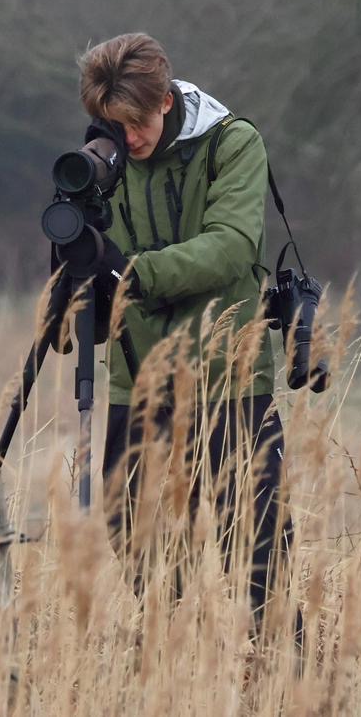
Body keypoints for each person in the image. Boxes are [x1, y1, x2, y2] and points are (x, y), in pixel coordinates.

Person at [72, 32, 294, 630]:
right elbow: (94, 255)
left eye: (137, 122)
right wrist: (74, 293)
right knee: (131, 530)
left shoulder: (232, 142)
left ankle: (284, 673)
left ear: (166, 101)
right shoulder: (106, 158)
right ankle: (174, 651)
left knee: (254, 539)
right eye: (115, 125)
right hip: (135, 373)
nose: (131, 138)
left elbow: (230, 247)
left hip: (227, 373)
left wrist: (133, 274)